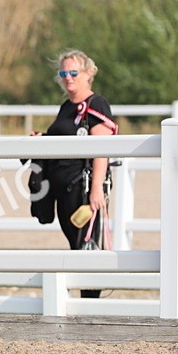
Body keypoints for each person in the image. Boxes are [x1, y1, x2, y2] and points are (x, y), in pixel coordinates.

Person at [32, 49, 118, 297]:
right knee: (75, 246)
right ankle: (82, 304)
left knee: (86, 247)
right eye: (63, 73)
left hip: (82, 189)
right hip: (62, 191)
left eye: (73, 72)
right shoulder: (66, 108)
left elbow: (102, 149)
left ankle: (89, 305)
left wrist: (96, 190)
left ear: (88, 73)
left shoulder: (96, 104)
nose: (68, 78)